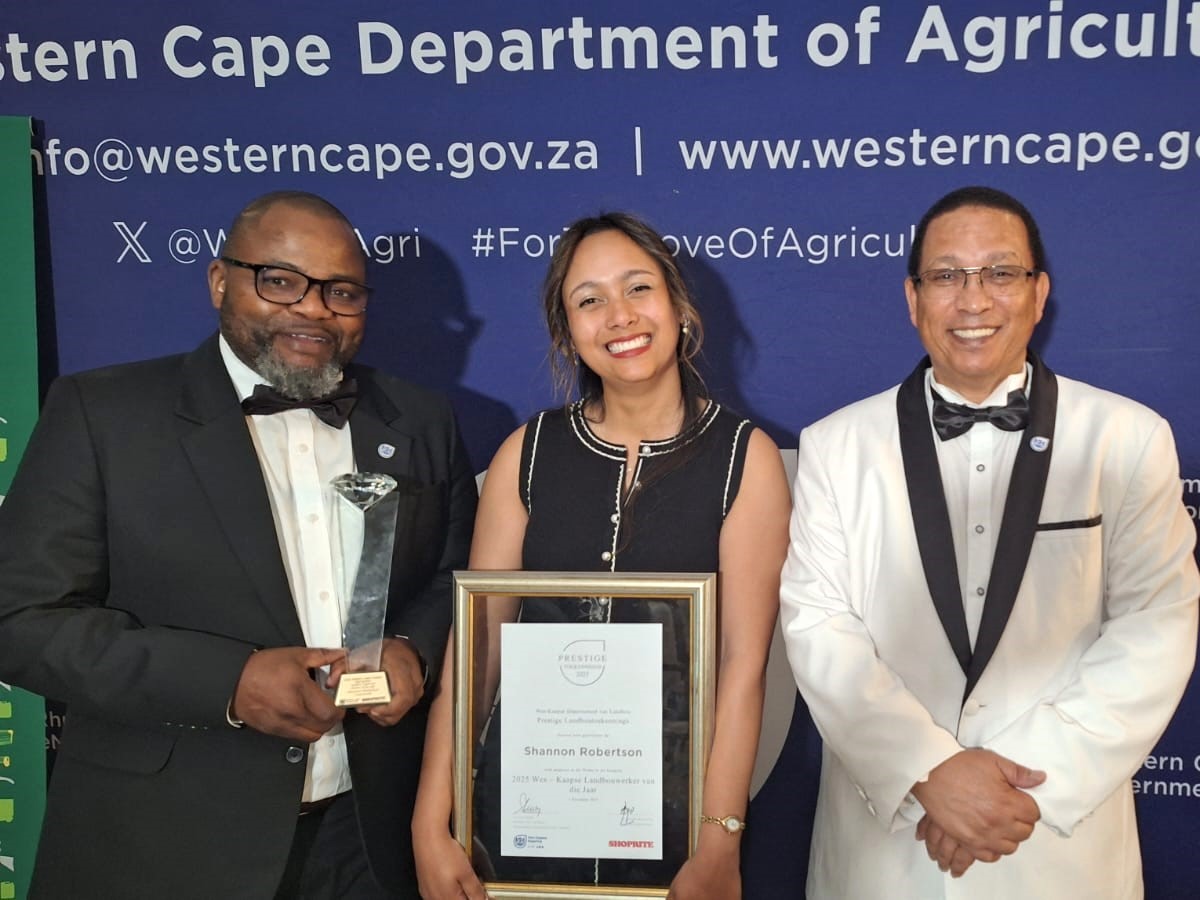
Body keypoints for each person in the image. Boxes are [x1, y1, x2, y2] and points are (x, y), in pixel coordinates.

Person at [0, 191, 477, 899]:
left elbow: (452, 576)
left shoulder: (419, 419)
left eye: (341, 292)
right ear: (220, 280)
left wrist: (414, 647)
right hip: (162, 846)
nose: (313, 310)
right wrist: (228, 683)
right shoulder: (104, 416)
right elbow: (20, 620)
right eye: (280, 281)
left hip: (369, 842)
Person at [779, 185, 1199, 898]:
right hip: (886, 850)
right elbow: (820, 627)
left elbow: (1157, 627)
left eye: (1000, 273)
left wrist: (1023, 787)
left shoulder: (1128, 438)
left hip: (1055, 844)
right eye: (946, 276)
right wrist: (929, 770)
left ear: (1039, 294)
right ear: (913, 299)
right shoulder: (835, 445)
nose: (973, 300)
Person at [411, 212, 791, 899]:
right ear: (566, 333)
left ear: (679, 307)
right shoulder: (524, 455)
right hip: (521, 818)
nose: (619, 316)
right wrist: (429, 823)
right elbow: (478, 649)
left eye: (637, 289)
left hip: (675, 827)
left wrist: (718, 839)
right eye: (589, 300)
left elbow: (743, 663)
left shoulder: (745, 458)